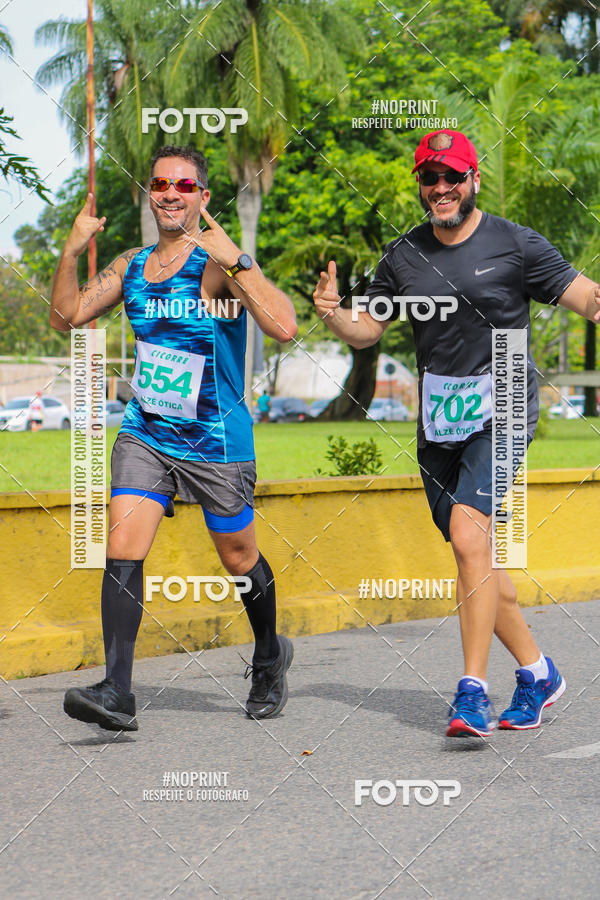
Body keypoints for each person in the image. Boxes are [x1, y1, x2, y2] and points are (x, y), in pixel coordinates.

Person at [313, 129, 600, 738]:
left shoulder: (515, 243)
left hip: (503, 410)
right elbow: (368, 331)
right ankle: (539, 673)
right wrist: (334, 312)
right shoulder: (403, 254)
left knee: (471, 540)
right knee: (477, 560)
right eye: (429, 178)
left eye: (451, 176)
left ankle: (471, 692)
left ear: (472, 179)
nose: (440, 188)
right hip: (439, 421)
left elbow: (589, 301)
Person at [50, 145, 297, 731]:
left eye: (184, 186)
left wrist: (238, 260)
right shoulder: (132, 265)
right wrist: (71, 249)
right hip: (147, 432)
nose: (170, 193)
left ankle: (269, 654)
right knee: (122, 547)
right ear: (149, 193)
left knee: (238, 557)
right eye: (161, 183)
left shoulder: (214, 266)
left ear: (203, 198)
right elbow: (66, 317)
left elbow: (284, 326)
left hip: (216, 440)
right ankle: (117, 691)